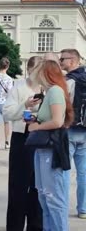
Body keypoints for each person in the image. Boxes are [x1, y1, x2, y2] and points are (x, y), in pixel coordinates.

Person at [28, 60, 73, 230]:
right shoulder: (51, 92)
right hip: (44, 148)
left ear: (45, 73)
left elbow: (57, 121)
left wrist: (37, 126)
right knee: (45, 196)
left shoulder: (54, 91)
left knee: (53, 198)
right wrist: (36, 119)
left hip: (51, 149)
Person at [3, 56, 43, 230]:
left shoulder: (47, 88)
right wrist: (25, 105)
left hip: (41, 136)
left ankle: (36, 225)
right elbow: (7, 113)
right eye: (36, 71)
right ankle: (14, 225)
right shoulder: (19, 87)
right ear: (29, 70)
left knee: (38, 186)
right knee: (18, 186)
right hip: (22, 136)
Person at [60, 48, 86, 219]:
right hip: (85, 130)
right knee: (83, 173)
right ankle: (83, 209)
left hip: (69, 129)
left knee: (64, 171)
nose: (61, 62)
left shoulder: (68, 81)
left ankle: (61, 206)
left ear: (72, 61)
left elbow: (61, 104)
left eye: (63, 59)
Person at [0, 57, 14, 152]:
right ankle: (7, 142)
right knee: (6, 123)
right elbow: (10, 92)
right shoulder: (9, 79)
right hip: (5, 102)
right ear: (7, 66)